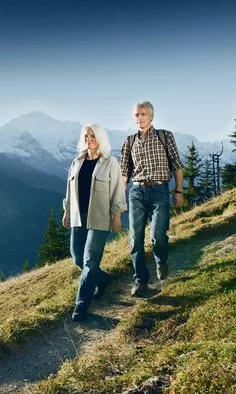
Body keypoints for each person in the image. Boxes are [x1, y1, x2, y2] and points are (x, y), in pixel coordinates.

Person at [119, 101, 184, 297]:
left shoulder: (165, 136)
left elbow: (177, 165)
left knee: (158, 235)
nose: (139, 118)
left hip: (159, 190)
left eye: (143, 114)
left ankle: (161, 261)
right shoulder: (129, 141)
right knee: (135, 239)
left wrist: (179, 192)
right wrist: (119, 200)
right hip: (136, 192)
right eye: (137, 115)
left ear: (151, 116)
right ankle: (141, 282)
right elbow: (123, 174)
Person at [63, 124, 126, 322]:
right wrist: (66, 211)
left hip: (100, 217)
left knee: (90, 261)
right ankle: (103, 279)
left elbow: (117, 189)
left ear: (100, 138)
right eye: (86, 135)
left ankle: (81, 304)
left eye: (93, 135)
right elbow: (69, 189)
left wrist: (117, 216)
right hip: (77, 216)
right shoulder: (77, 162)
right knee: (77, 258)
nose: (89, 138)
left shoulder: (110, 162)